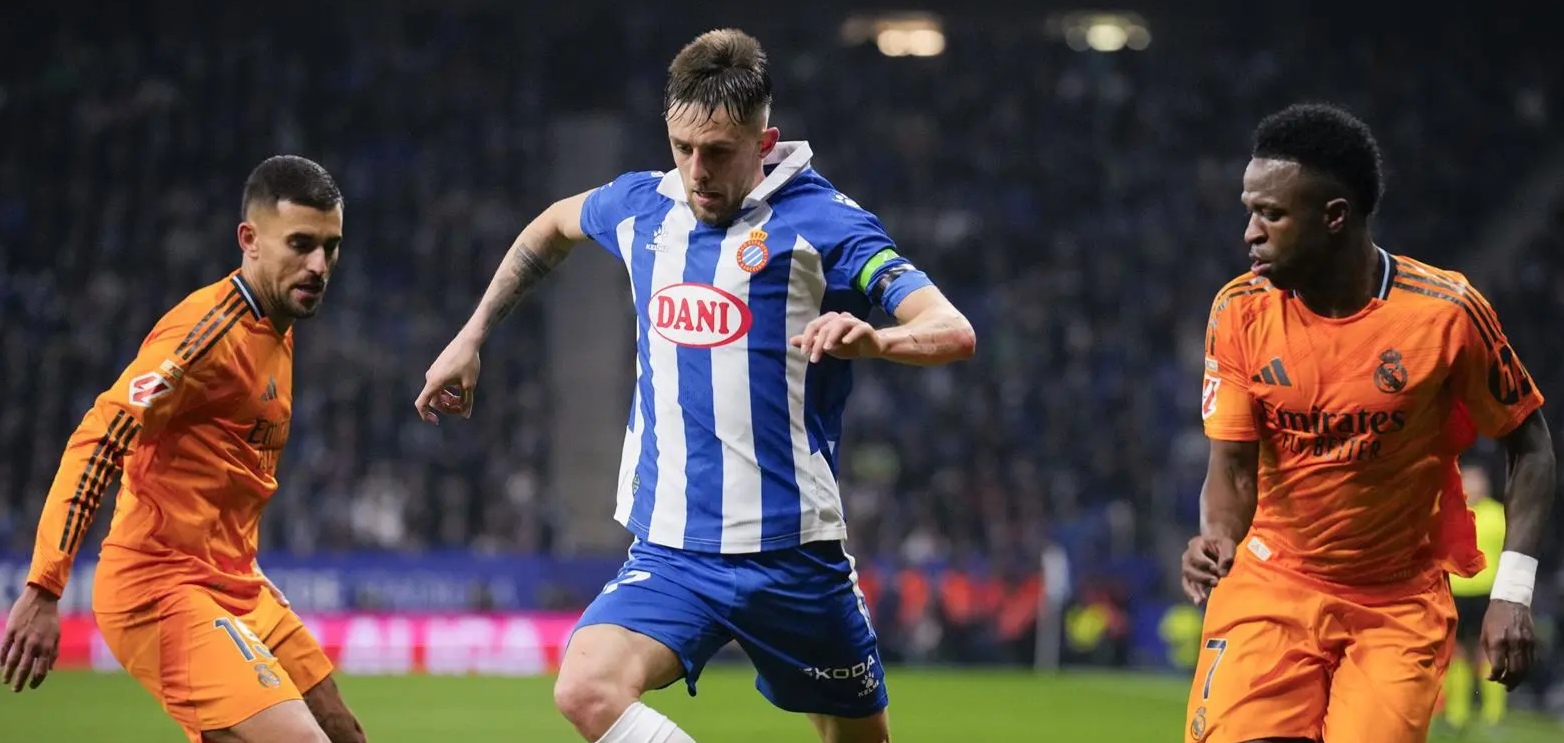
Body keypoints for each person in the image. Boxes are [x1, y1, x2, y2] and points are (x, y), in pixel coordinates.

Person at [415, 28, 975, 743]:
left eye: (717, 152)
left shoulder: (827, 225)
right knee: (585, 688)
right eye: (682, 148)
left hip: (793, 556)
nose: (696, 171)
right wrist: (472, 334)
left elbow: (953, 329)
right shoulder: (643, 206)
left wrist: (878, 339)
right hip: (673, 550)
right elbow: (553, 224)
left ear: (764, 142)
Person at [1179, 102, 1555, 743]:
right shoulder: (1239, 311)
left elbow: (1532, 446)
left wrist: (1513, 592)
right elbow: (1233, 468)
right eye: (1249, 211)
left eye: (1271, 214)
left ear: (1334, 217)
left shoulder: (1445, 315)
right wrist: (1215, 536)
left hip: (1396, 605)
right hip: (1272, 581)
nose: (1250, 233)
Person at [0, 156, 368, 743]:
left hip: (235, 580)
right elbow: (99, 440)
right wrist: (44, 587)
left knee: (343, 731)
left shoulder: (277, 328)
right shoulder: (205, 336)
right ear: (249, 240)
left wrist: (240, 562)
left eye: (331, 247)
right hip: (159, 585)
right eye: (301, 244)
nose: (319, 266)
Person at [1443, 463, 1509, 733]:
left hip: (1487, 593)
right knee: (1456, 652)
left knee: (1488, 650)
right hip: (1455, 592)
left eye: (1477, 480)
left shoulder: (1499, 515)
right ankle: (1456, 714)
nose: (1473, 485)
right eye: (1468, 480)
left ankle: (1494, 714)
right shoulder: (1450, 512)